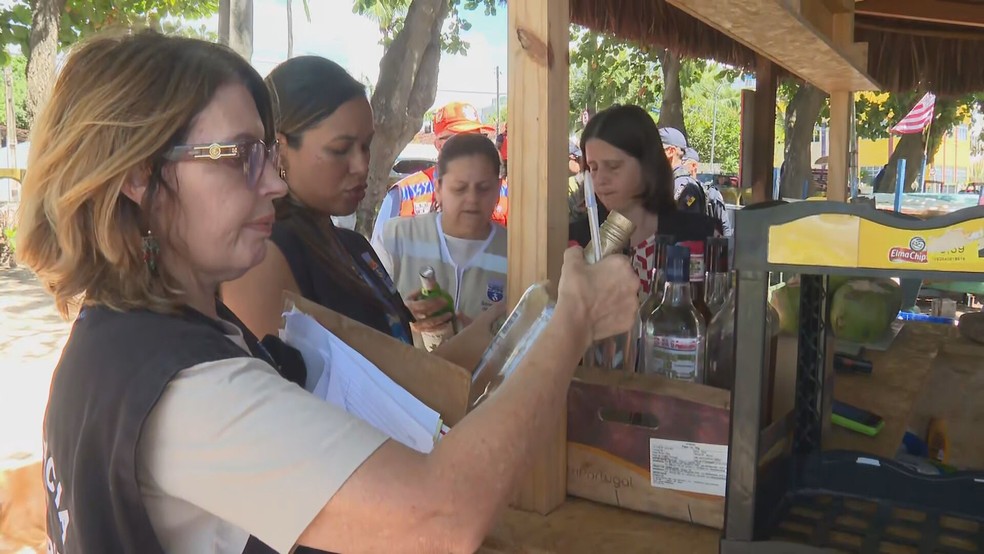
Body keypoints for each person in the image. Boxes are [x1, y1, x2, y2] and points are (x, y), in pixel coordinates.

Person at [19, 31, 640, 553]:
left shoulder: (123, 338)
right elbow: (441, 516)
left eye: (266, 154)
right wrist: (573, 322)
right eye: (239, 156)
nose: (273, 183)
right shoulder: (187, 387)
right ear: (139, 177)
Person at [222, 56, 429, 345]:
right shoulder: (262, 255)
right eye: (340, 149)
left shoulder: (354, 246)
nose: (361, 165)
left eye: (365, 146)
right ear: (280, 149)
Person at [570, 105, 720, 293]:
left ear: (647, 165)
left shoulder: (698, 236)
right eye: (593, 168)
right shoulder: (577, 243)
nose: (600, 179)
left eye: (613, 166)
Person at [373, 133, 506, 331]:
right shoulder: (394, 238)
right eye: (459, 189)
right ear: (438, 189)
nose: (472, 199)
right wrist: (400, 316)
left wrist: (491, 340)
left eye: (483, 188)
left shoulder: (515, 253)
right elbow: (364, 317)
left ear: (498, 189)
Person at [371, 102, 508, 244]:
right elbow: (378, 252)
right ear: (438, 144)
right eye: (459, 139)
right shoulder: (404, 193)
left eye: (477, 139)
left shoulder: (504, 191)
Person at [683, 147, 732, 236]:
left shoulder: (711, 194)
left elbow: (726, 229)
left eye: (683, 163)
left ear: (693, 166)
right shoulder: (683, 193)